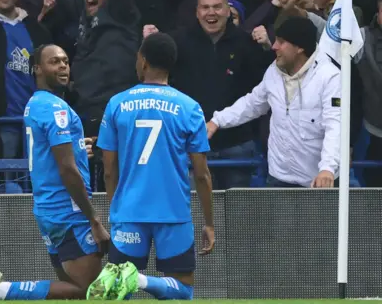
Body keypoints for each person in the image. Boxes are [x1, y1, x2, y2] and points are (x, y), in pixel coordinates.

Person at [0, 44, 109, 301]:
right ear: (37, 68)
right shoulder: (56, 109)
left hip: (47, 208)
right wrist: (93, 218)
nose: (62, 66)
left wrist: (80, 149)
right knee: (87, 290)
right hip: (68, 210)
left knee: (71, 288)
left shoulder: (35, 104)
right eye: (54, 62)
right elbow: (67, 168)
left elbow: (53, 154)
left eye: (65, 61)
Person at [90, 32, 215, 300]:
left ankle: (137, 278)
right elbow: (202, 174)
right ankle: (145, 281)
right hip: (173, 213)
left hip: (129, 212)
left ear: (143, 61)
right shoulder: (190, 107)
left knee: (116, 292)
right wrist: (209, 222)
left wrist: (115, 209)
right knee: (182, 291)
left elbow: (109, 168)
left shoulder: (117, 104)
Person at [206, 16, 341, 188]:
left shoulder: (330, 77)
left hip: (318, 182)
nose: (274, 46)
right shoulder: (274, 71)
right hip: (278, 179)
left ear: (300, 47)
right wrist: (217, 121)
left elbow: (335, 126)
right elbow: (252, 104)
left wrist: (327, 168)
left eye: (281, 42)